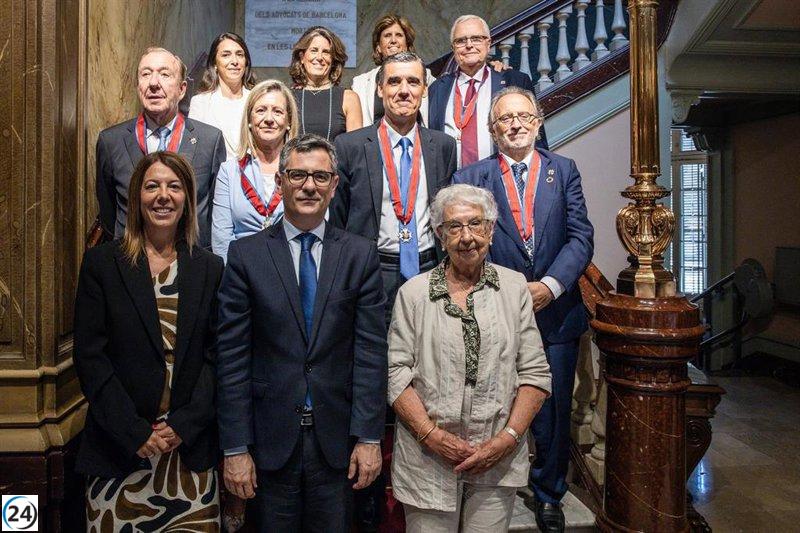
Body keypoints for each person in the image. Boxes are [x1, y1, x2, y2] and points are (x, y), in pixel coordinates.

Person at [216, 134, 388, 532]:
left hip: (338, 443)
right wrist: (236, 447)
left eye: (320, 177)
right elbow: (232, 357)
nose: (309, 186)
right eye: (297, 175)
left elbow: (370, 353)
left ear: (334, 185)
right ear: (280, 182)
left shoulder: (360, 255)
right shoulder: (246, 256)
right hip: (269, 443)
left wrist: (368, 437)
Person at [453, 87, 594, 533]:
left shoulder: (564, 170)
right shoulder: (472, 175)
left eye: (523, 116)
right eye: (504, 119)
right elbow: (465, 241)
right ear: (493, 130)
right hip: (494, 309)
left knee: (551, 410)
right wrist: (509, 290)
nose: (514, 124)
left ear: (537, 122)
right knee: (491, 402)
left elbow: (581, 236)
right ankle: (491, 484)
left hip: (556, 313)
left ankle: (548, 491)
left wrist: (550, 286)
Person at [388, 183, 552, 532]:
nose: (467, 237)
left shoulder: (513, 288)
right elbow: (396, 374)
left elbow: (535, 374)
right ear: (439, 235)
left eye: (476, 224)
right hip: (426, 460)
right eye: (455, 227)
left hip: (497, 460)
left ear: (491, 230)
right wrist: (432, 436)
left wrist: (506, 439)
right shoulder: (413, 294)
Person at [74, 151, 224, 530]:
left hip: (187, 456)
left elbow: (217, 359)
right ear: (136, 197)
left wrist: (184, 425)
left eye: (174, 186)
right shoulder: (102, 264)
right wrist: (133, 431)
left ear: (188, 198)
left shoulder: (209, 268)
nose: (163, 195)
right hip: (119, 453)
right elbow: (91, 358)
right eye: (152, 186)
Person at [332, 51, 457, 325]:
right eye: (394, 82)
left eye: (413, 82)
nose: (404, 91)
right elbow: (338, 221)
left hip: (430, 268)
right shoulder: (349, 147)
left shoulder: (444, 146)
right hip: (372, 271)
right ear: (380, 89)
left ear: (424, 89)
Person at [96, 47, 226, 249]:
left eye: (165, 74)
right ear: (137, 85)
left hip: (191, 262)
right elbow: (108, 211)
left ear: (182, 89)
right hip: (129, 262)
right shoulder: (111, 141)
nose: (154, 83)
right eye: (146, 74)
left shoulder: (210, 141)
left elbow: (216, 213)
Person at [428, 15, 548, 169]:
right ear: (453, 48)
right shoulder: (438, 89)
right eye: (461, 41)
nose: (469, 45)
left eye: (476, 38)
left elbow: (537, 137)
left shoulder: (514, 81)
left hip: (504, 180)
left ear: (488, 43)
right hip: (454, 185)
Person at [212, 79, 299, 261]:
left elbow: (316, 228)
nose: (268, 119)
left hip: (292, 269)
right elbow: (221, 240)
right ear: (250, 120)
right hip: (241, 274)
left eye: (277, 111)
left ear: (289, 121)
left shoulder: (304, 171)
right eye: (260, 110)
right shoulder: (229, 172)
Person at [351, 14, 436, 127]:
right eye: (387, 35)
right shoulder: (360, 83)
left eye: (399, 35)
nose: (393, 40)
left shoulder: (428, 78)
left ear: (407, 44)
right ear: (378, 47)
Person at [189, 32, 258, 159]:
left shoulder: (257, 100)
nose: (234, 61)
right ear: (215, 64)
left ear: (246, 62)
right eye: (226, 55)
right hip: (215, 176)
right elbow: (194, 149)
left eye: (240, 55)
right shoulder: (200, 103)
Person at [289, 26, 362, 141]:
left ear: (333, 60)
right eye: (313, 50)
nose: (319, 57)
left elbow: (355, 148)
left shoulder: (349, 98)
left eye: (326, 52)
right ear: (302, 57)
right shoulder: (287, 97)